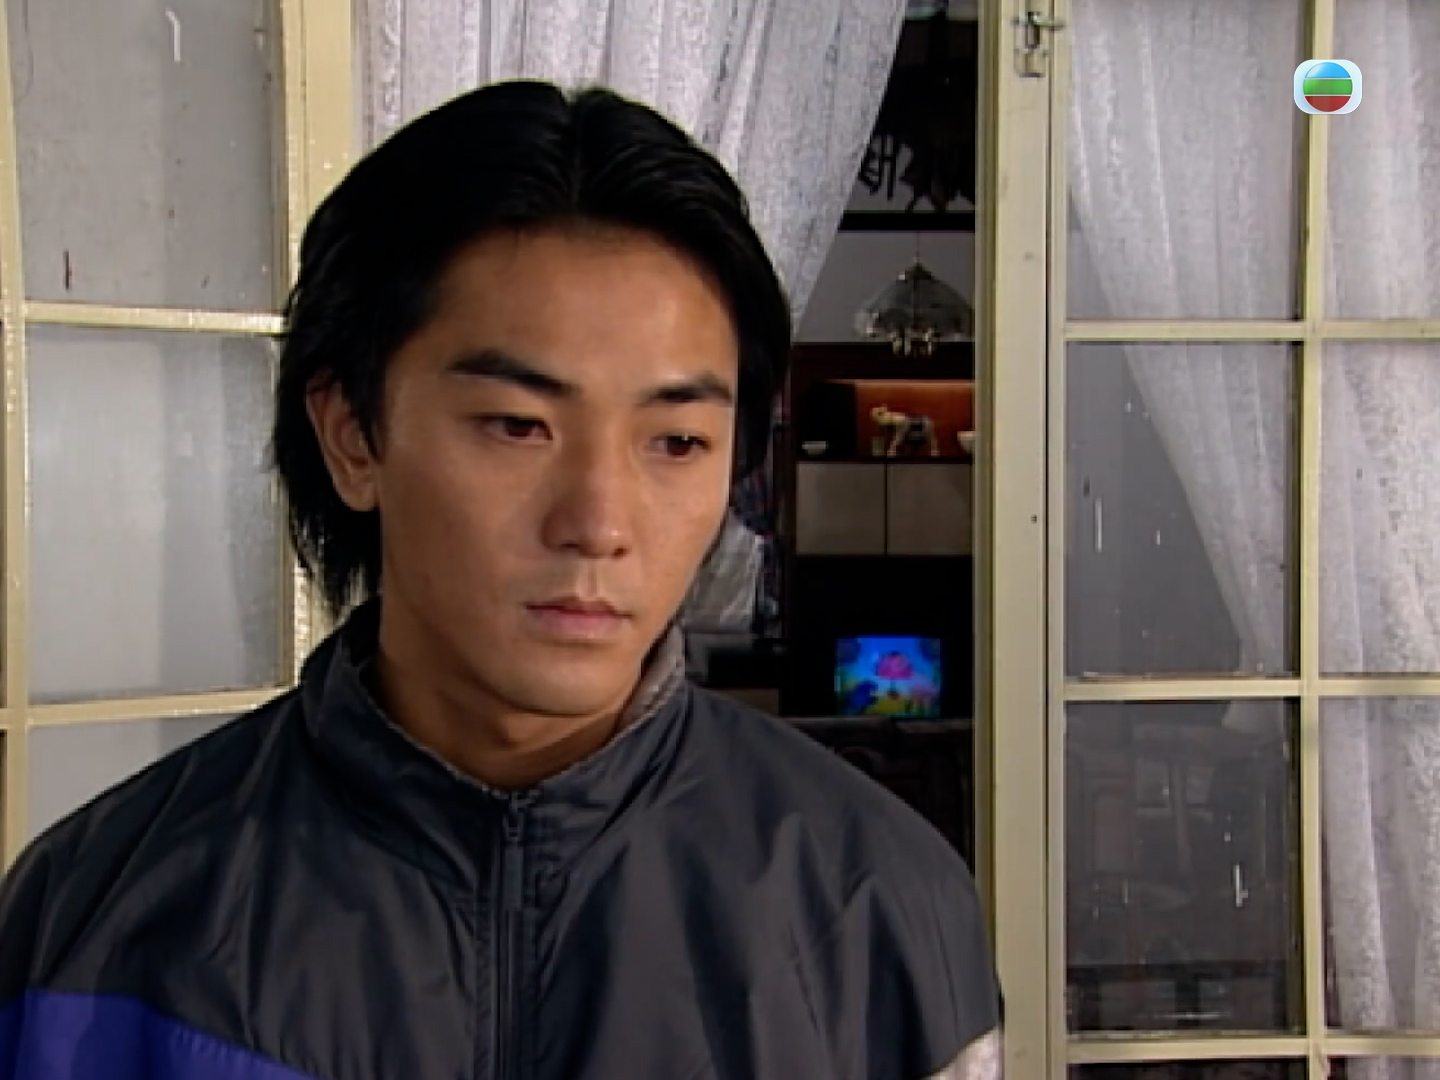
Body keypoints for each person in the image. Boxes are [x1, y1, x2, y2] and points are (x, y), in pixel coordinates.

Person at [0, 81, 1001, 1080]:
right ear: (353, 435)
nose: (599, 524)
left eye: (676, 441)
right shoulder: (99, 924)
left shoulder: (877, 905)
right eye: (518, 426)